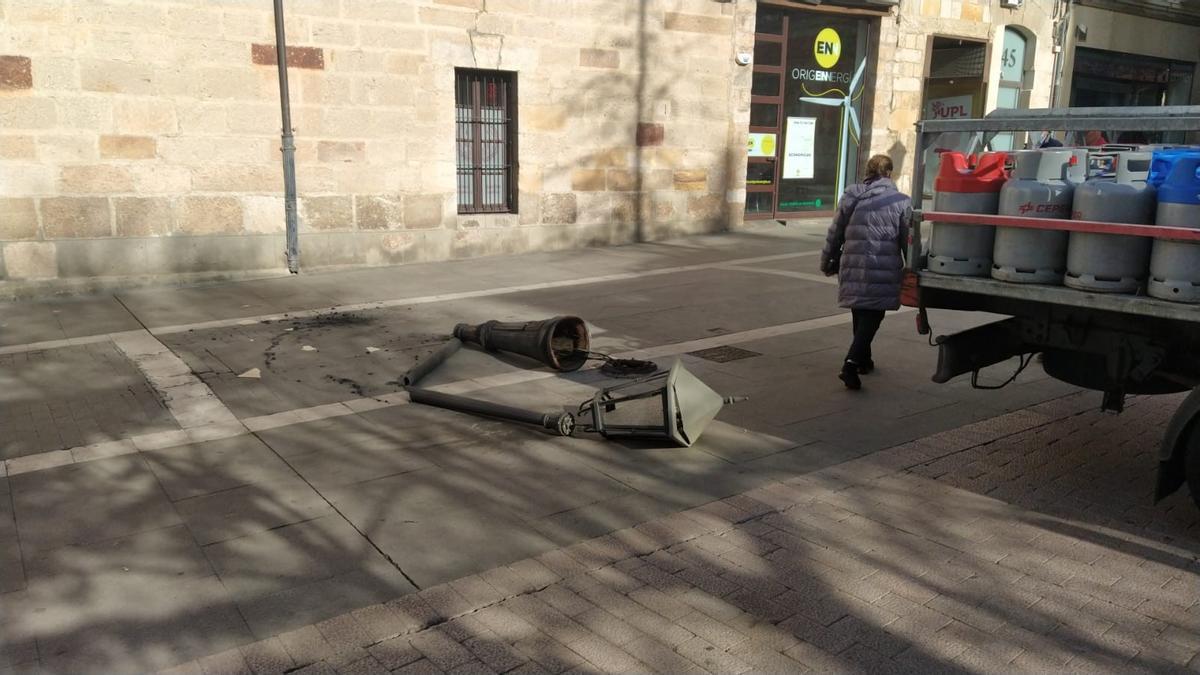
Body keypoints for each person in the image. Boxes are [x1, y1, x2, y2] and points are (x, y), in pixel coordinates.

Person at [819, 154, 911, 390]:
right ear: (889, 173)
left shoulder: (851, 194)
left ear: (868, 171)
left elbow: (835, 231)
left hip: (852, 262)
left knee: (860, 310)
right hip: (883, 266)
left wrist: (826, 260)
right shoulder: (901, 201)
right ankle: (850, 364)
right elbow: (907, 240)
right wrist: (913, 266)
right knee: (873, 315)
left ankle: (864, 360)